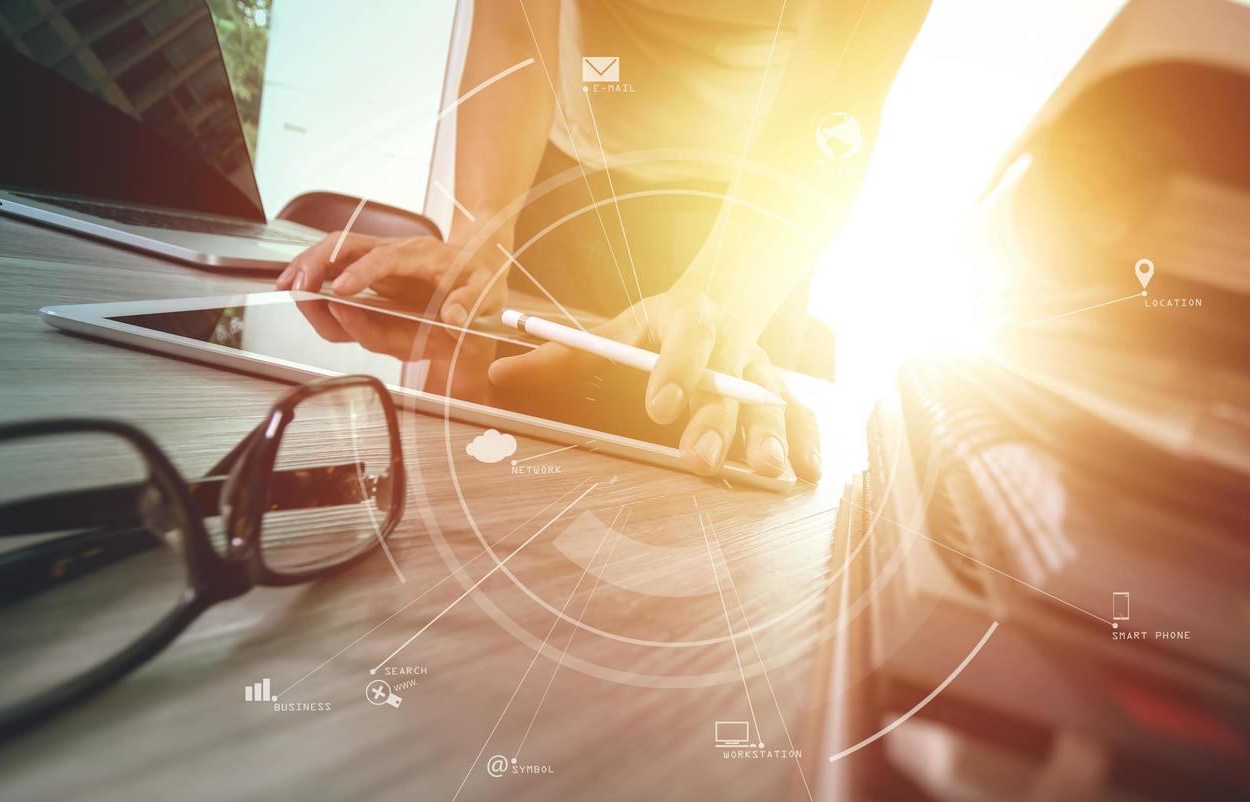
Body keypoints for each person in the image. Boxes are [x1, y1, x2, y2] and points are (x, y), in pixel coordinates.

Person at [279, 0, 930, 480]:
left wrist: (721, 297)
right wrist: (481, 229)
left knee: (715, 475)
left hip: (753, 210)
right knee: (505, 460)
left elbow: (834, 108)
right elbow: (513, 25)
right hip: (567, 186)